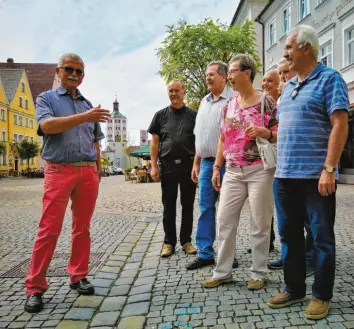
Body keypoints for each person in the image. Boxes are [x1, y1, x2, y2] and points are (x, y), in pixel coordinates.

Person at [267, 25, 349, 320]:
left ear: (306, 48)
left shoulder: (330, 79)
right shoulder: (287, 87)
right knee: (288, 235)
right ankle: (294, 288)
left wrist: (329, 168)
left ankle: (321, 295)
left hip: (316, 176)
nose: (284, 53)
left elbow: (340, 125)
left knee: (321, 237)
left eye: (288, 47)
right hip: (285, 176)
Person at [24, 53, 110, 313]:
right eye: (69, 70)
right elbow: (47, 126)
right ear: (59, 72)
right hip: (59, 170)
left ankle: (78, 275)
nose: (74, 74)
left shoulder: (87, 104)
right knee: (49, 229)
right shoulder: (46, 99)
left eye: (79, 71)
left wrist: (97, 169)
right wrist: (85, 117)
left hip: (86, 172)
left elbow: (96, 140)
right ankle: (35, 287)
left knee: (82, 228)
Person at [202, 54, 278, 291]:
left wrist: (264, 132)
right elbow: (223, 138)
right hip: (233, 171)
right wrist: (217, 167)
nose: (230, 76)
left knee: (259, 222)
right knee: (224, 220)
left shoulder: (266, 101)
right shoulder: (229, 105)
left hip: (259, 171)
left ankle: (259, 272)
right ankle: (222, 272)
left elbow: (279, 132)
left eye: (233, 71)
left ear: (247, 73)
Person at [185, 61, 239, 270]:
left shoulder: (233, 101)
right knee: (205, 208)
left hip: (229, 163)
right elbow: (200, 134)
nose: (207, 78)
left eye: (212, 75)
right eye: (207, 75)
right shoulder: (203, 102)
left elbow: (232, 135)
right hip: (207, 163)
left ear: (224, 77)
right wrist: (196, 162)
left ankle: (227, 253)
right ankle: (205, 252)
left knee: (227, 211)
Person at [267, 58, 315, 274]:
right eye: (281, 73)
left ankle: (311, 258)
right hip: (283, 166)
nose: (284, 76)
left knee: (308, 218)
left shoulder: (304, 91)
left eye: (286, 71)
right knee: (288, 221)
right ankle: (289, 258)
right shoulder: (283, 97)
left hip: (305, 166)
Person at [148, 80, 197, 257]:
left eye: (177, 90)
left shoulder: (193, 115)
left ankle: (186, 241)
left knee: (188, 205)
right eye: (170, 91)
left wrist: (197, 165)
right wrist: (153, 166)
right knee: (168, 206)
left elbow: (198, 142)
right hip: (167, 166)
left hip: (188, 166)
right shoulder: (160, 116)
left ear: (184, 92)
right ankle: (169, 242)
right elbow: (154, 143)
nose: (173, 94)